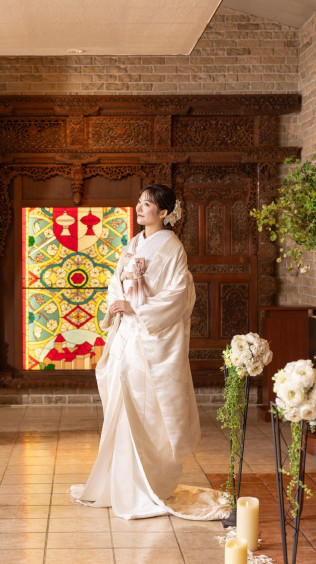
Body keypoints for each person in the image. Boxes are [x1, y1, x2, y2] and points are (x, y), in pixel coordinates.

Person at [70, 184, 231, 520]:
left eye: (147, 205)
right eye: (139, 202)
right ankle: (121, 483)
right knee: (121, 405)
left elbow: (178, 296)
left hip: (148, 338)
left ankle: (146, 485)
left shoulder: (172, 248)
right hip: (127, 334)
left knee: (144, 410)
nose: (139, 209)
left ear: (163, 213)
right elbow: (117, 280)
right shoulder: (133, 243)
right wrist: (117, 302)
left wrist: (137, 309)